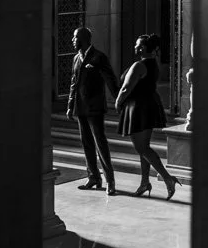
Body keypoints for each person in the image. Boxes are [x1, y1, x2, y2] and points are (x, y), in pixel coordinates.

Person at [115, 33, 182, 200]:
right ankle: (145, 182)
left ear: (143, 48)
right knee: (143, 147)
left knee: (142, 148)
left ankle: (168, 178)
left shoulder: (139, 65)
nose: (135, 47)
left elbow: (125, 88)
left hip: (138, 108)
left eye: (137, 45)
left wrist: (117, 103)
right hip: (147, 106)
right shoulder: (153, 64)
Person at [67, 26, 120, 195]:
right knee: (87, 143)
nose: (73, 40)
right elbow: (73, 83)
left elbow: (110, 79)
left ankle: (110, 181)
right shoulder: (76, 58)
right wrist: (70, 106)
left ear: (83, 39)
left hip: (95, 107)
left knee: (100, 144)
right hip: (80, 106)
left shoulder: (99, 57)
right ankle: (93, 177)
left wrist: (119, 99)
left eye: (75, 38)